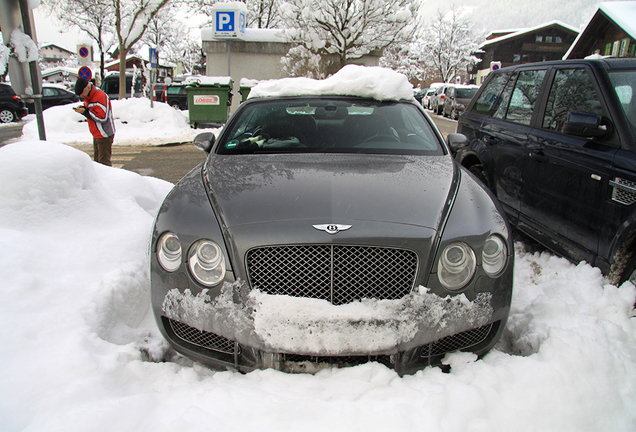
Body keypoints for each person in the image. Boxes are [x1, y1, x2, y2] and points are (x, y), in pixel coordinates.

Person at [73, 78, 116, 166]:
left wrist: (85, 112)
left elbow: (102, 117)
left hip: (104, 134)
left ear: (87, 87)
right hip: (97, 133)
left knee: (104, 164)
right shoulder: (88, 96)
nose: (81, 96)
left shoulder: (99, 96)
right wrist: (84, 109)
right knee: (97, 164)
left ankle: (109, 179)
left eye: (82, 93)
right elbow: (92, 110)